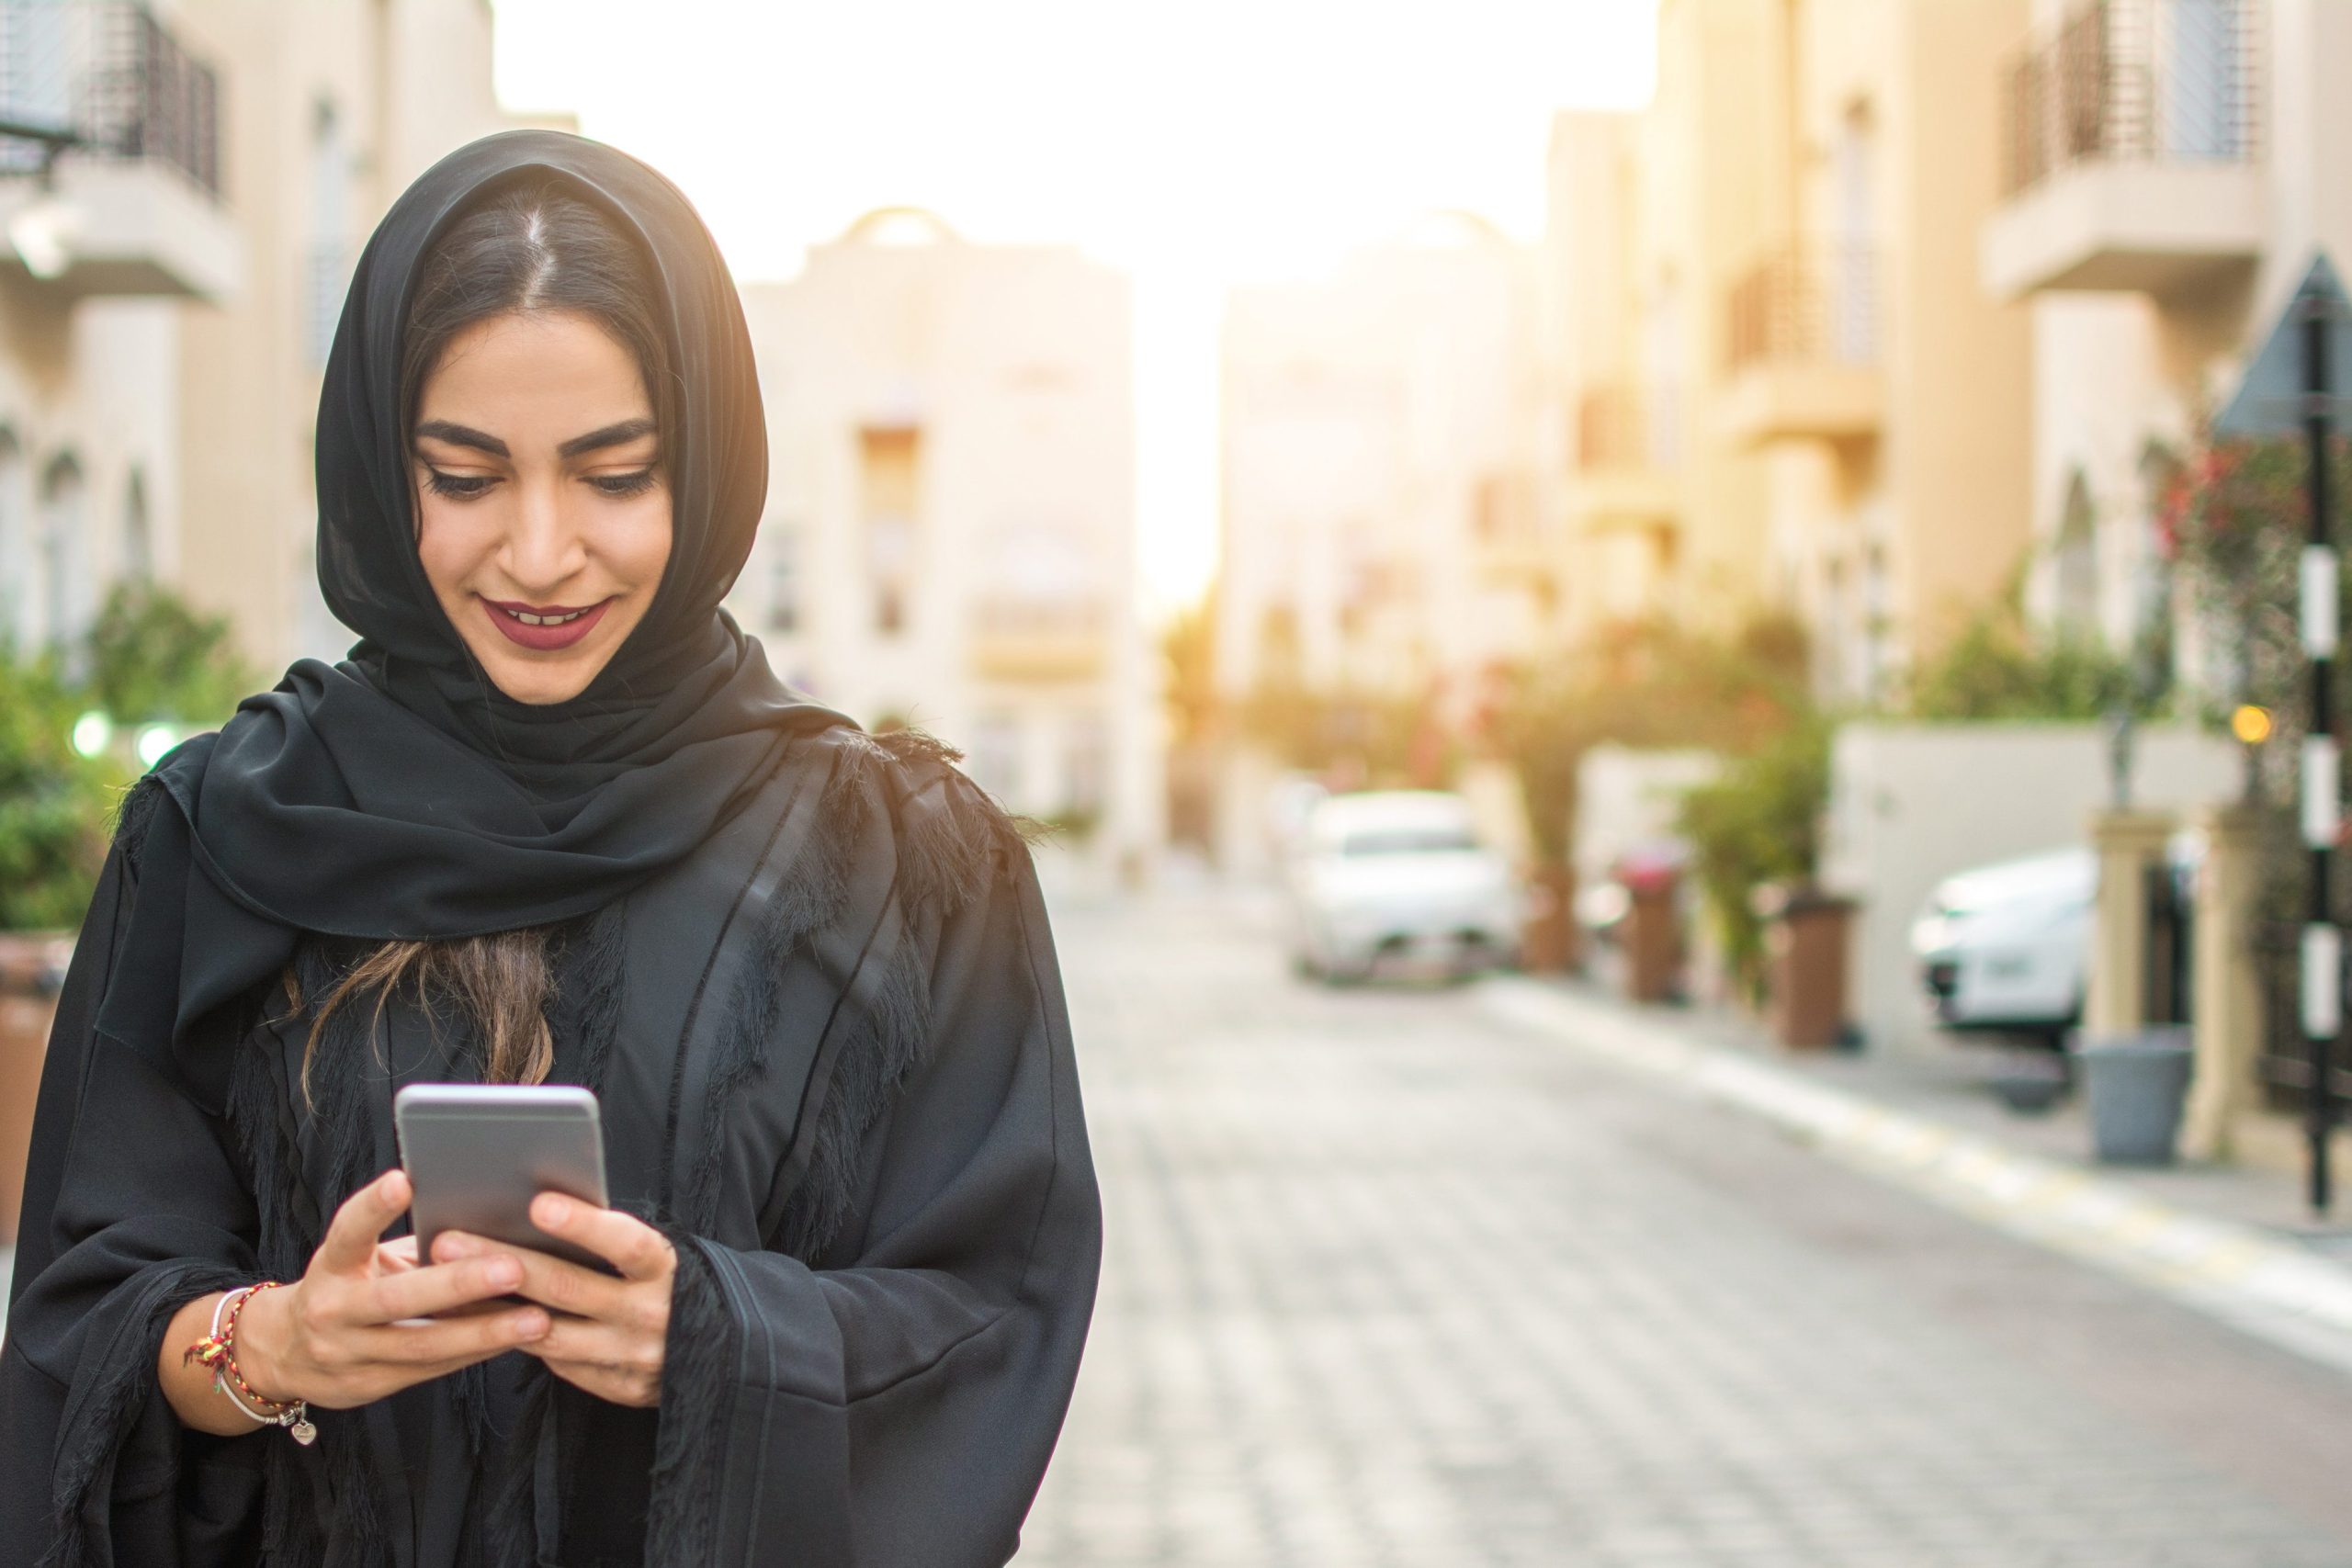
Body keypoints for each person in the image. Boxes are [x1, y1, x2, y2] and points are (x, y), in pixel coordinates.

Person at [0, 130, 1102, 1568]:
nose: (537, 553)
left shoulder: (903, 865)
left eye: (614, 475)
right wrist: (274, 1343)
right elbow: (80, 1322)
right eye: (464, 477)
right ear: (382, 476)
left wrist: (714, 1337)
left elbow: (997, 1311)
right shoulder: (218, 839)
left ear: (701, 467)